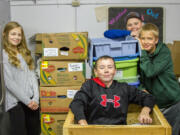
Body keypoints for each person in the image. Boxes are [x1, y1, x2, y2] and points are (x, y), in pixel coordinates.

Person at [70, 55, 155, 125]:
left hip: (119, 131)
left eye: (110, 67)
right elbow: (77, 102)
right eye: (102, 67)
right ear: (95, 72)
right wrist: (82, 121)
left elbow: (148, 97)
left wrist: (145, 111)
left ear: (115, 71)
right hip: (95, 130)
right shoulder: (89, 86)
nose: (106, 70)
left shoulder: (124, 87)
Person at [138, 23, 180, 135]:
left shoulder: (164, 52)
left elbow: (150, 72)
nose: (145, 42)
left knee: (172, 133)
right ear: (139, 39)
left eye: (149, 38)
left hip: (172, 102)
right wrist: (142, 88)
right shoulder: (142, 56)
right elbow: (141, 76)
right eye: (143, 38)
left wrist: (142, 51)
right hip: (156, 103)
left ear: (156, 40)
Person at [2, 21, 40, 135]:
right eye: (13, 34)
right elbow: (9, 83)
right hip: (16, 103)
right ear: (5, 34)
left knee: (34, 132)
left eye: (19, 34)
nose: (17, 37)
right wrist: (28, 101)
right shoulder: (4, 55)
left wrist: (36, 99)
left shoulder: (25, 53)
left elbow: (32, 76)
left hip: (32, 101)